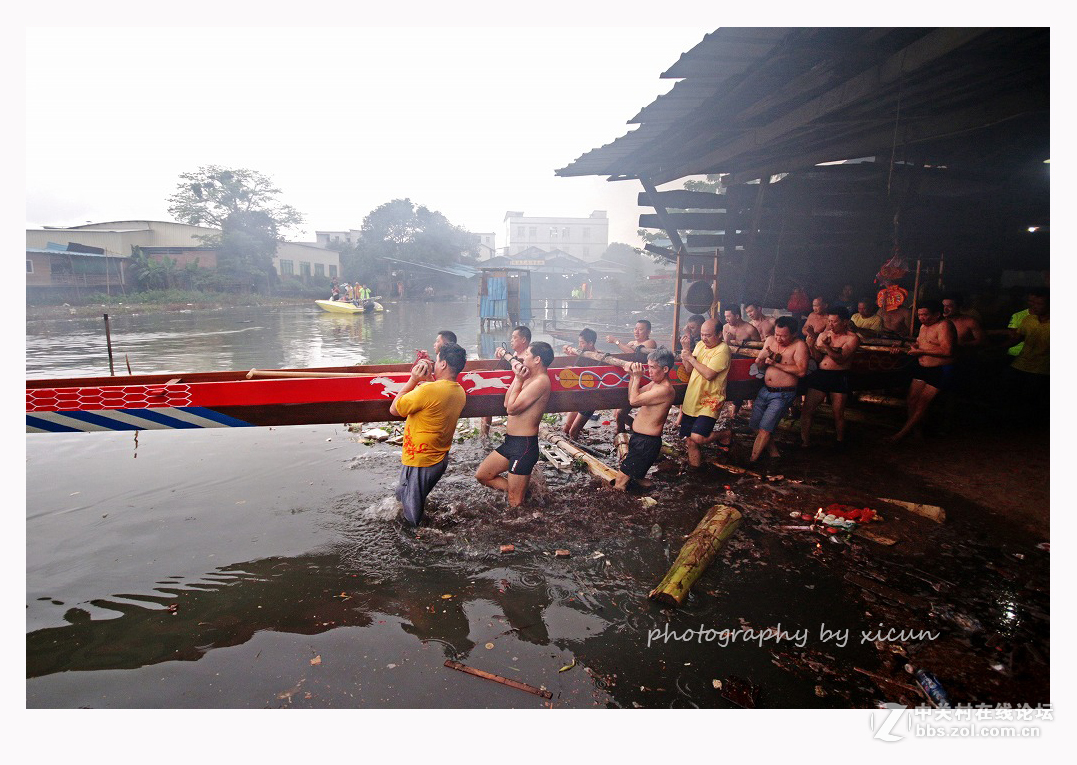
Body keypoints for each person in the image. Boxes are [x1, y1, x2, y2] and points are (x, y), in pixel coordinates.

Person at [388, 342, 468, 526]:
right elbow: (438, 392)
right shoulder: (459, 392)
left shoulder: (427, 390)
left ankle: (418, 540)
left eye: (437, 359)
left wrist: (413, 379)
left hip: (420, 461)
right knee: (403, 497)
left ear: (443, 364)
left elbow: (394, 408)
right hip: (437, 460)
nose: (434, 362)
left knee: (411, 514)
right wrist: (429, 379)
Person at [475, 341, 554, 507]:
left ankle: (521, 504)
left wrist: (519, 379)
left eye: (527, 355)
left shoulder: (541, 381)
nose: (522, 357)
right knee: (483, 475)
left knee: (514, 503)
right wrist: (517, 378)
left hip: (524, 446)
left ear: (537, 359)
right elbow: (506, 402)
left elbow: (512, 409)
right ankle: (524, 491)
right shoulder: (528, 378)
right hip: (511, 442)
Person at [887, 301, 957, 443]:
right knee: (911, 399)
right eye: (919, 314)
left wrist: (920, 351)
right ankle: (917, 433)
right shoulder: (924, 326)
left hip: (940, 369)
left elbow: (947, 350)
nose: (921, 318)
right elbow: (920, 343)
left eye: (925, 315)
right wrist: (903, 346)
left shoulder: (944, 326)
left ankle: (901, 434)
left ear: (937, 314)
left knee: (923, 402)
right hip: (922, 367)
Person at [613, 349, 676, 491]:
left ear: (665, 369)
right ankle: (651, 493)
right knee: (636, 478)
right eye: (648, 367)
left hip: (646, 443)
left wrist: (637, 377)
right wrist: (632, 376)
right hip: (640, 439)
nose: (649, 371)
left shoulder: (665, 390)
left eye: (653, 367)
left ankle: (624, 508)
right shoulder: (655, 384)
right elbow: (633, 396)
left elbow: (634, 401)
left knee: (620, 482)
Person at [749, 316, 808, 463]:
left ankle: (752, 461)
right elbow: (761, 365)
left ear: (794, 333)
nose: (779, 338)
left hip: (783, 394)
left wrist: (776, 364)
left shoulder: (800, 346)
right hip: (765, 390)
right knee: (755, 425)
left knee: (765, 429)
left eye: (783, 335)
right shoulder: (770, 341)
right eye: (777, 334)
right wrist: (760, 359)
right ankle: (774, 454)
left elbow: (801, 371)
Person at [800, 307, 861, 448]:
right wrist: (812, 346)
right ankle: (805, 442)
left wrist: (827, 347)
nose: (830, 324)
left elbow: (841, 359)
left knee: (837, 412)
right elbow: (817, 357)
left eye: (834, 321)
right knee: (807, 409)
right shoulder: (823, 334)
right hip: (822, 374)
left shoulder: (852, 338)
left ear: (845, 322)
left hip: (839, 376)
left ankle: (840, 441)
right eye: (829, 321)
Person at [678, 319, 731, 468]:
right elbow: (688, 369)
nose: (704, 338)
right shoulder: (700, 345)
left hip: (711, 399)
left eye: (708, 335)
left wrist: (690, 359)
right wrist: (686, 350)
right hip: (693, 396)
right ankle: (695, 470)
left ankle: (725, 434)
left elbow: (709, 374)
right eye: (702, 334)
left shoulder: (723, 350)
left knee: (698, 437)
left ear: (720, 334)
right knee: (689, 440)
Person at [1002, 288, 1049, 423]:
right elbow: (1017, 338)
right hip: (1021, 363)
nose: (1034, 306)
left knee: (1032, 397)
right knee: (1011, 392)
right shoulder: (1029, 319)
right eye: (1033, 303)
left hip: (1043, 368)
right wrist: (997, 348)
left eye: (1039, 304)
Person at [607, 320, 658, 431]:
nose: (637, 332)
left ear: (648, 331)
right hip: (630, 379)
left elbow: (634, 353)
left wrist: (616, 341)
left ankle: (629, 431)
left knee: (620, 414)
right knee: (618, 413)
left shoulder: (650, 343)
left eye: (641, 329)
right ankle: (633, 429)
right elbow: (629, 353)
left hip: (643, 381)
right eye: (636, 328)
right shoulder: (632, 343)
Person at [481, 325, 531, 437]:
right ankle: (484, 436)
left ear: (523, 340)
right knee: (487, 404)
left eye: (514, 338)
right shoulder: (515, 354)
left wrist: (505, 354)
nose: (511, 340)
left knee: (488, 405)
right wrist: (500, 358)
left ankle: (485, 437)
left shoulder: (527, 356)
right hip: (509, 389)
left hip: (519, 393)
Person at [561, 328, 599, 440]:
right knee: (566, 429)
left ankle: (578, 454)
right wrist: (568, 352)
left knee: (573, 432)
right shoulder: (582, 354)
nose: (579, 345)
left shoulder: (599, 357)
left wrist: (575, 370)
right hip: (579, 397)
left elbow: (592, 377)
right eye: (579, 342)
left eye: (582, 343)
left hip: (590, 399)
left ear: (591, 343)